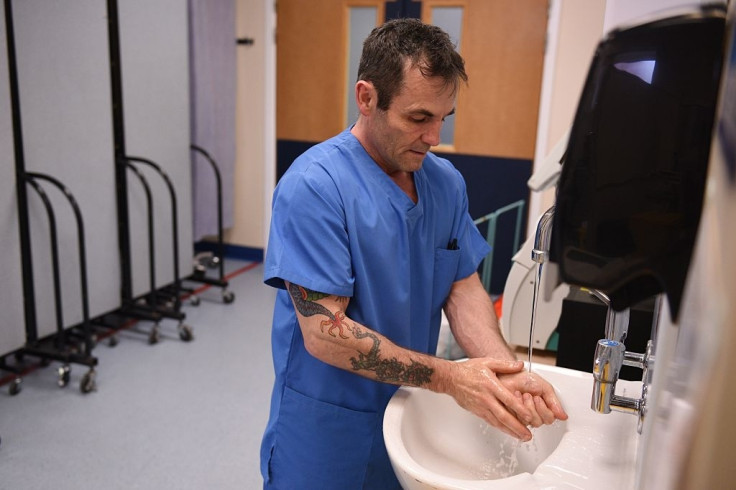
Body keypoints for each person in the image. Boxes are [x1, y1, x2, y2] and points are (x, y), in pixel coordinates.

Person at [260, 18, 568, 489]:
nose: (433, 137)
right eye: (419, 118)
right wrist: (451, 378)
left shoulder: (444, 183)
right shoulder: (315, 186)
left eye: (444, 119)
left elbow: (462, 288)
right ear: (366, 98)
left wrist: (505, 373)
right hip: (327, 429)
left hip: (408, 409)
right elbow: (324, 333)